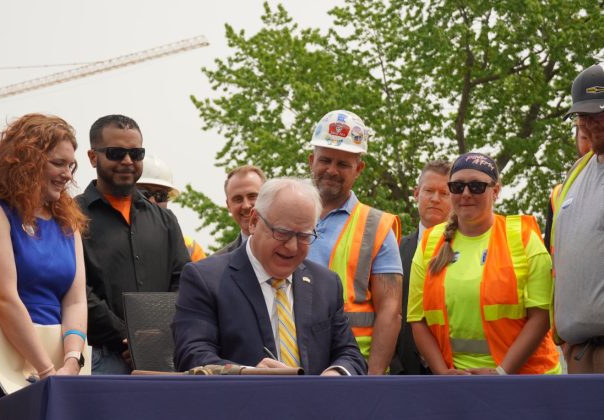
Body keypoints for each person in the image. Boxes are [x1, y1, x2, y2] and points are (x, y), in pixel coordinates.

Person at [0, 114, 88, 420]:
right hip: (0, 360)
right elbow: (5, 299)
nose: (67, 174)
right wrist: (46, 371)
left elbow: (76, 299)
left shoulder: (68, 224)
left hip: (58, 362)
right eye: (58, 163)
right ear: (26, 160)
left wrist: (72, 361)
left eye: (71, 166)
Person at [173, 178, 367, 375]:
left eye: (304, 236)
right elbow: (192, 355)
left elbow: (350, 354)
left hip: (313, 404)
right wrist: (248, 374)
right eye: (282, 233)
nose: (292, 247)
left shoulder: (326, 284)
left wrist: (336, 373)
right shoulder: (205, 279)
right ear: (254, 221)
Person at [408, 152, 560, 375]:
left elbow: (541, 316)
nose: (466, 194)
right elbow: (417, 319)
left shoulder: (523, 237)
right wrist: (443, 374)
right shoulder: (430, 243)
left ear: (496, 190)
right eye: (457, 187)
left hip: (527, 381)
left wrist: (501, 372)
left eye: (477, 186)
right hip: (456, 382)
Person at [76, 114, 189, 374]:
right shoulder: (71, 216)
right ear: (93, 157)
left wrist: (159, 334)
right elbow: (77, 288)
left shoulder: (165, 219)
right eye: (116, 153)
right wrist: (128, 337)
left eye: (136, 153)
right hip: (101, 357)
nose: (127, 161)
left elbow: (183, 280)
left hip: (163, 355)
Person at [306, 110, 402, 375]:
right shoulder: (286, 214)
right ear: (310, 161)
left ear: (359, 169)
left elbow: (390, 311)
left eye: (343, 164)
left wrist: (373, 379)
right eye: (325, 160)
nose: (332, 171)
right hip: (290, 360)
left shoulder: (377, 226)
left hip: (352, 369)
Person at [552, 62, 604, 373]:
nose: (591, 122)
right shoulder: (577, 173)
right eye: (583, 115)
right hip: (579, 352)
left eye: (600, 113)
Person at [392, 160, 451, 375]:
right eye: (429, 191)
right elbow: (385, 311)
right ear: (416, 193)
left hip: (456, 372)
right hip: (404, 373)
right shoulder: (395, 250)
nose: (435, 199)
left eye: (444, 193)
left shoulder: (472, 251)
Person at [136, 153, 206, 261]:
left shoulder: (189, 248)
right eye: (144, 193)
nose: (153, 201)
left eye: (161, 196)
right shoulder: (109, 238)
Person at [543, 120, 592, 251]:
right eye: (585, 137)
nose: (593, 144)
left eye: (599, 135)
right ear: (576, 139)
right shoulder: (558, 194)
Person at [213, 165, 265, 255]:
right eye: (238, 199)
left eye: (252, 196)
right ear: (228, 206)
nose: (246, 206)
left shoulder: (295, 253)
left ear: (267, 197)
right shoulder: (214, 265)